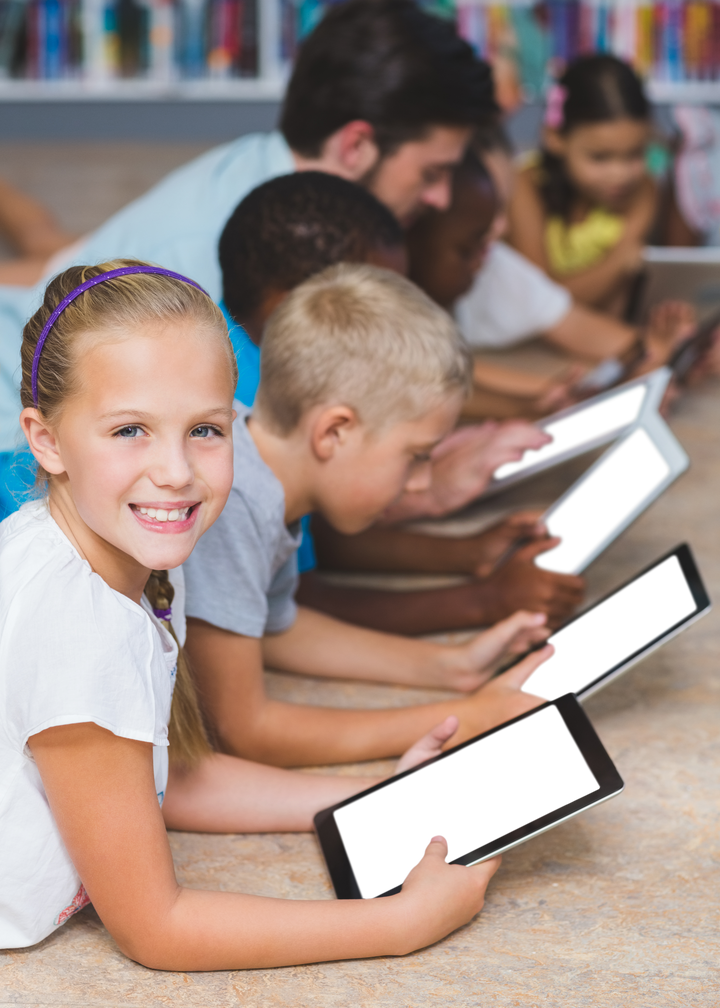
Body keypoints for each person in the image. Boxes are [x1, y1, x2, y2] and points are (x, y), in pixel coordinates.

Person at [1, 258, 532, 963]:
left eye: (206, 430)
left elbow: (170, 777)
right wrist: (403, 924)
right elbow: (155, 927)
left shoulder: (139, 551)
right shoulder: (78, 625)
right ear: (45, 439)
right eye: (130, 430)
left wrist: (380, 794)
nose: (178, 470)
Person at [0, 0, 496, 521]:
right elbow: (242, 488)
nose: (441, 199)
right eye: (431, 172)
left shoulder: (270, 181)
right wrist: (422, 490)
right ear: (355, 146)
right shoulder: (221, 270)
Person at [183, 263, 556, 769]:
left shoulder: (265, 478)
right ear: (333, 432)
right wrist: (464, 719)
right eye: (416, 455)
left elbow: (274, 626)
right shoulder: (233, 501)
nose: (423, 482)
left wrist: (452, 668)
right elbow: (245, 729)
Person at [219, 170, 585, 631]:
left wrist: (467, 553)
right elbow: (295, 602)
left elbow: (315, 541)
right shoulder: (240, 404)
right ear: (309, 305)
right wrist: (481, 602)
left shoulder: (235, 349)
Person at [407, 131, 698, 419]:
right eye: (481, 219)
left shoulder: (493, 265)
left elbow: (457, 373)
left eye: (502, 207)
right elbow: (424, 380)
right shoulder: (388, 303)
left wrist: (669, 352)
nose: (502, 229)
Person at [507, 54, 661, 316]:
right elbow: (539, 303)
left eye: (635, 154)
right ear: (555, 137)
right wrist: (619, 263)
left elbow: (616, 305)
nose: (620, 175)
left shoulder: (644, 190)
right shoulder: (523, 185)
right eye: (600, 158)